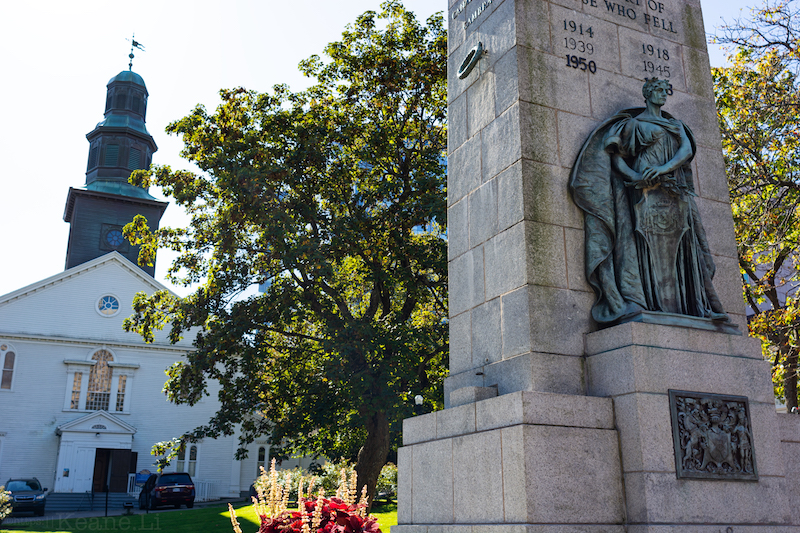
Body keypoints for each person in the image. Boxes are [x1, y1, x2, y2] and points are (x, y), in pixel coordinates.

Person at [570, 78, 729, 325]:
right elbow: (617, 156)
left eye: (665, 91)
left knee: (683, 243)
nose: (663, 95)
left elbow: (686, 152)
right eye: (657, 91)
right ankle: (645, 301)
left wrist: (665, 168)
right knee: (643, 240)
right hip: (643, 191)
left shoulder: (676, 125)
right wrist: (634, 176)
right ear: (647, 94)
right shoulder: (633, 125)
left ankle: (690, 304)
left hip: (673, 189)